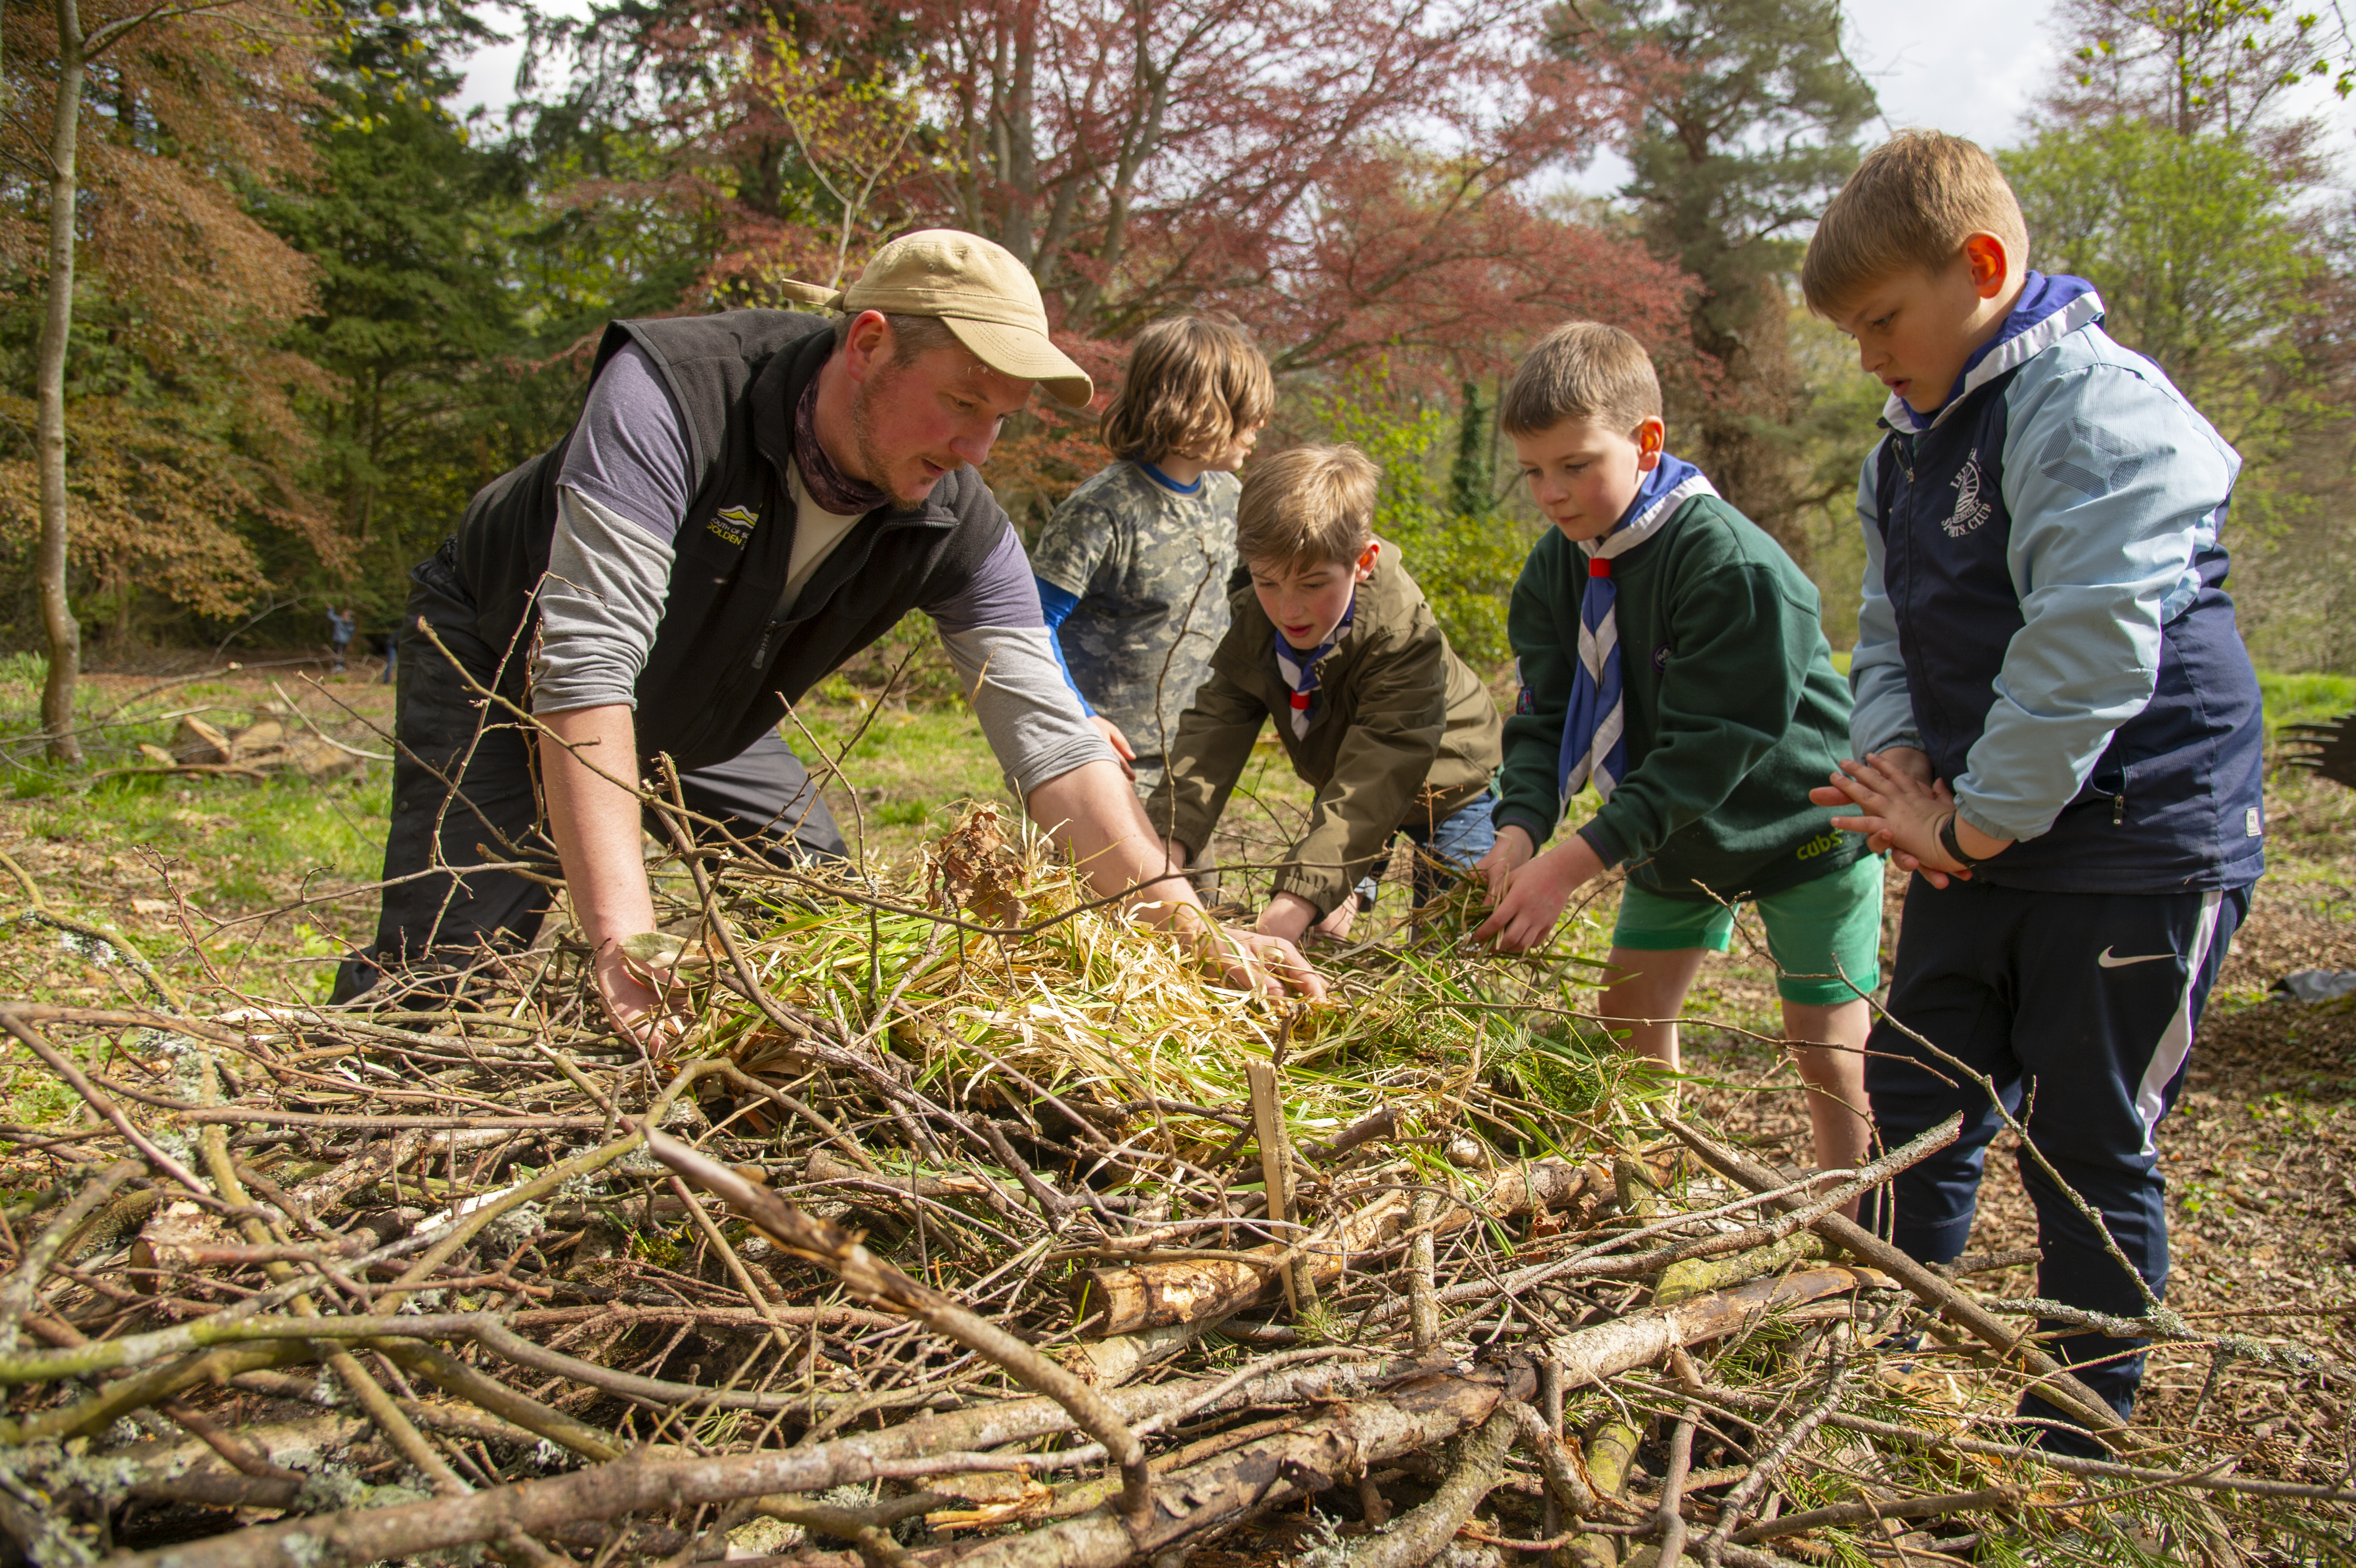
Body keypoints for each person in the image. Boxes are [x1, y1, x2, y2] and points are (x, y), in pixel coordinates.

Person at [332, 229, 1323, 1030]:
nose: (976, 448)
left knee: (826, 920)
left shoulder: (955, 517)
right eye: (962, 402)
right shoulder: (671, 397)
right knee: (448, 964)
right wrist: (623, 938)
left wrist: (1193, 932)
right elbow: (585, 664)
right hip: (506, 663)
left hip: (707, 701)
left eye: (1001, 419)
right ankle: (370, 1151)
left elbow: (1057, 746)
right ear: (868, 343)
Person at [1800, 131, 2263, 1450]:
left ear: (1985, 269)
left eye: (1884, 318)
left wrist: (1969, 818)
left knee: (2087, 1136)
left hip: (2136, 836)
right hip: (1981, 830)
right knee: (1921, 1092)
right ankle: (1883, 1343)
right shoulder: (1906, 445)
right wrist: (1901, 774)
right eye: (1852, 330)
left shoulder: (2096, 411)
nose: (1869, 352)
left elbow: (2088, 645)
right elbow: (1890, 630)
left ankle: (2078, 1423)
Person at [1472, 322, 1877, 1188]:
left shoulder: (1727, 564)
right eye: (1533, 470)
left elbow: (1710, 751)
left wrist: (1571, 866)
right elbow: (1542, 720)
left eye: (1576, 463)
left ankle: (1854, 1239)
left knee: (1824, 1048)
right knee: (1627, 1016)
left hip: (1802, 825)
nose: (1552, 492)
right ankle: (1653, 1200)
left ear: (1646, 442)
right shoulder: (1556, 571)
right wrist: (1517, 831)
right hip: (1669, 837)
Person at [1146, 445, 1501, 943]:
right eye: (1267, 581)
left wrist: (1299, 897)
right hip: (1348, 778)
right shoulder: (1256, 615)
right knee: (1322, 926)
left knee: (1449, 944)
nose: (1288, 608)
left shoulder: (1402, 634)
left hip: (1447, 784)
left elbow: (1379, 771)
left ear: (1363, 561)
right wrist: (1162, 849)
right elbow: (1211, 734)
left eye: (1312, 584)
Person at [1029, 316, 1272, 797]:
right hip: (1102, 768)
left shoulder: (1230, 496)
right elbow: (1026, 628)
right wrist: (1078, 717)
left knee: (1193, 877)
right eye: (1248, 412)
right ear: (1201, 408)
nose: (1259, 426)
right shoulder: (1103, 511)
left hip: (1191, 765)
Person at [327, 605, 356, 674]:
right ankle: (341, 667)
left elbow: (330, 616)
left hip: (339, 640)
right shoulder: (351, 623)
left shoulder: (339, 620)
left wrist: (331, 609)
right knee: (342, 653)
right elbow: (352, 633)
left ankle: (338, 666)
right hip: (345, 640)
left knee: (338, 653)